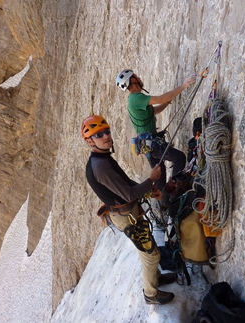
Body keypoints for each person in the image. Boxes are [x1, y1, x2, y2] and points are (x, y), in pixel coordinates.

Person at [82, 114, 177, 305]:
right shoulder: (100, 166)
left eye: (106, 131)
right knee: (151, 254)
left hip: (128, 212)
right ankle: (151, 294)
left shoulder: (103, 158)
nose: (106, 136)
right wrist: (151, 179)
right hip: (126, 215)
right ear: (90, 141)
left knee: (147, 247)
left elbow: (125, 184)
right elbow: (128, 194)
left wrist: (151, 190)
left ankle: (155, 278)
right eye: (99, 134)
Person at [116, 69, 196, 190]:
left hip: (148, 145)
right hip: (151, 144)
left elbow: (155, 110)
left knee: (160, 173)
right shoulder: (136, 98)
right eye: (136, 76)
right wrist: (185, 85)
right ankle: (176, 191)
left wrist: (169, 100)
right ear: (132, 80)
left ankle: (162, 203)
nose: (139, 77)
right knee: (179, 158)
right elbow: (160, 99)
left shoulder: (134, 100)